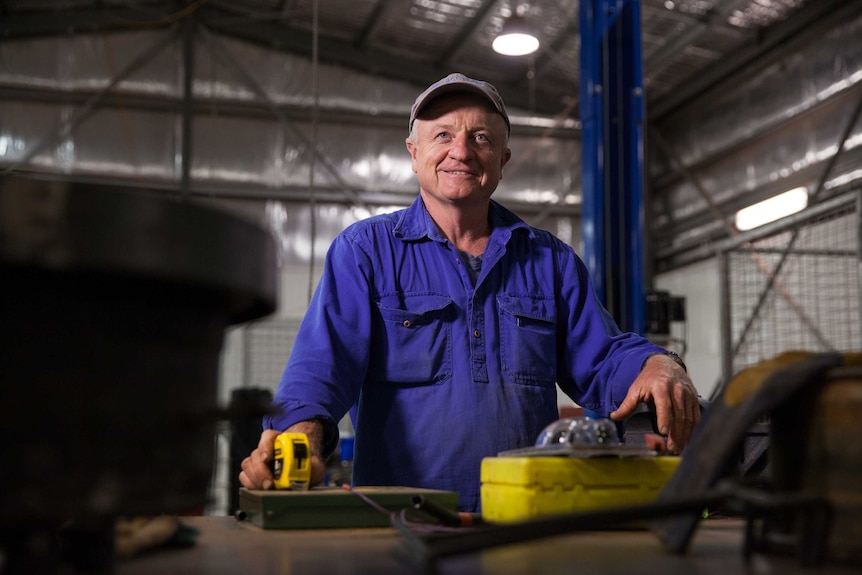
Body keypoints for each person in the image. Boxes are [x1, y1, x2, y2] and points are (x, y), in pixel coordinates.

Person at [240, 73, 700, 512]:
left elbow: (602, 360)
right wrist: (294, 443)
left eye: (481, 137)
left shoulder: (550, 261)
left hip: (524, 520)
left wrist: (659, 365)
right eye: (442, 135)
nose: (460, 150)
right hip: (404, 523)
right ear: (413, 152)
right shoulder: (366, 252)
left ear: (502, 159)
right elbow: (320, 371)